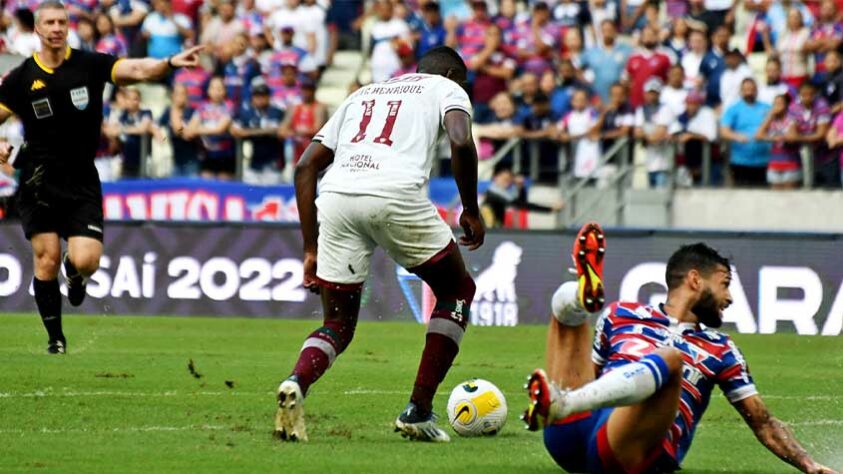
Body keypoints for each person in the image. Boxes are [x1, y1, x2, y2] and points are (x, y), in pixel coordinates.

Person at [276, 46, 484, 443]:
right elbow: (460, 140)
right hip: (394, 195)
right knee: (456, 289)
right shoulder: (446, 89)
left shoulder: (363, 94)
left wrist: (310, 248)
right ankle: (418, 410)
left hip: (336, 197)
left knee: (337, 323)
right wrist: (470, 209)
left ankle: (296, 382)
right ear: (454, 74)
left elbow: (305, 167)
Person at [524, 223, 839, 474]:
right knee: (567, 316)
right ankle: (580, 297)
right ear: (695, 280)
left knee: (670, 358)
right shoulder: (620, 313)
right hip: (574, 434)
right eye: (725, 284)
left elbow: (763, 421)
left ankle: (562, 403)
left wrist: (809, 466)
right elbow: (590, 377)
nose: (729, 298)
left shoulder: (722, 349)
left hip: (628, 449)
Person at [0, 1, 201, 354]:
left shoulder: (90, 64)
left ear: (69, 26)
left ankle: (74, 273)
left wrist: (167, 63)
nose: (57, 27)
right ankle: (56, 339)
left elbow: (137, 69)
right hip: (37, 178)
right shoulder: (20, 78)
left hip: (81, 179)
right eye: (50, 22)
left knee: (87, 260)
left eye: (62, 21)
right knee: (44, 257)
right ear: (37, 29)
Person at [231, 77, 285, 185]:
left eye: (263, 96)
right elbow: (236, 131)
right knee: (251, 194)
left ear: (268, 97)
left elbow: (281, 132)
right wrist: (265, 131)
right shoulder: (247, 113)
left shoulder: (277, 112)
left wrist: (250, 132)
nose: (260, 99)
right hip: (252, 163)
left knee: (271, 194)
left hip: (272, 163)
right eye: (257, 96)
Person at [720, 78, 771, 187]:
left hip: (764, 161)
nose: (749, 92)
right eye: (746, 89)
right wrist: (737, 136)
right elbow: (724, 131)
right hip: (740, 161)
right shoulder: (733, 109)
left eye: (752, 89)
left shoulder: (767, 108)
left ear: (756, 91)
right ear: (741, 91)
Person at [185, 76, 237, 180]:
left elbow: (219, 129)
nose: (216, 92)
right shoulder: (202, 107)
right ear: (208, 90)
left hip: (225, 155)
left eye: (219, 89)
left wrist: (199, 129)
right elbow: (189, 132)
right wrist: (199, 129)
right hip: (207, 154)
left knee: (224, 188)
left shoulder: (230, 106)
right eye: (213, 88)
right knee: (206, 188)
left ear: (224, 91)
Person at [635, 78, 676, 188]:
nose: (652, 96)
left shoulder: (665, 109)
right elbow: (637, 132)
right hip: (647, 162)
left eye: (655, 93)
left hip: (663, 163)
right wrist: (652, 135)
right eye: (650, 93)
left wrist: (647, 135)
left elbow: (660, 134)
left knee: (660, 194)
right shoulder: (641, 110)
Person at [756, 93, 802, 189]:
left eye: (780, 103)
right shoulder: (771, 120)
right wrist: (770, 116)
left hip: (790, 163)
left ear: (786, 105)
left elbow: (792, 138)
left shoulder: (792, 120)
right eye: (775, 103)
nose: (777, 106)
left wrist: (777, 137)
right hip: (774, 163)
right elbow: (758, 135)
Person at [279, 78, 328, 168]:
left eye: (309, 89)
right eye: (304, 89)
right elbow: (282, 130)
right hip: (296, 150)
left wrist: (296, 132)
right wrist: (297, 132)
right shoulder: (294, 108)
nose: (306, 92)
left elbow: (318, 130)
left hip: (312, 151)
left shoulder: (319, 108)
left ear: (314, 90)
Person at [157, 84, 200, 177]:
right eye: (177, 94)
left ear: (187, 96)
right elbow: (157, 126)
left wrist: (179, 128)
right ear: (172, 96)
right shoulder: (167, 112)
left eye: (183, 94)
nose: (180, 97)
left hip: (191, 161)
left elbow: (186, 134)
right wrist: (159, 134)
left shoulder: (192, 112)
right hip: (173, 161)